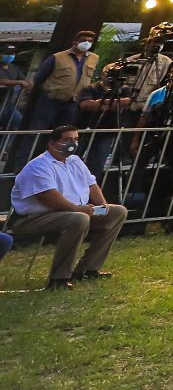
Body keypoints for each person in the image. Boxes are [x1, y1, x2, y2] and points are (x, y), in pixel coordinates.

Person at [9, 125, 129, 288]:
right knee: (78, 219)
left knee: (117, 212)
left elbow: (91, 184)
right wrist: (77, 209)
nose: (72, 143)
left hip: (74, 211)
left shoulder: (75, 161)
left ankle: (87, 269)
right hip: (33, 219)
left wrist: (103, 205)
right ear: (52, 143)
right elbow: (48, 196)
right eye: (67, 139)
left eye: (76, 139)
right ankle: (59, 278)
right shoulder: (38, 165)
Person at [28, 30, 99, 131]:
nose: (86, 43)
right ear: (75, 42)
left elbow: (93, 78)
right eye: (83, 40)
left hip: (73, 102)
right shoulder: (57, 57)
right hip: (51, 101)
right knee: (38, 129)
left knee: (64, 132)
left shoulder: (94, 58)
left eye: (90, 41)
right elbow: (39, 78)